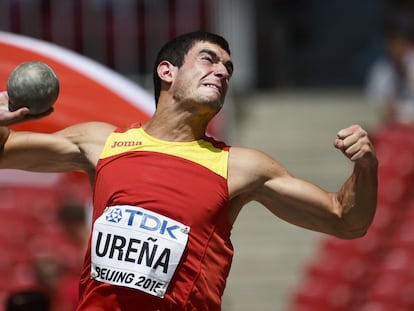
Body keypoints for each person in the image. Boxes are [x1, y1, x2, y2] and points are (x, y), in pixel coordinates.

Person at [0, 31, 378, 310]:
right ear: (167, 71)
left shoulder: (240, 166)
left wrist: (365, 166)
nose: (223, 72)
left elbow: (346, 219)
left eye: (228, 67)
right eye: (209, 59)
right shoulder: (102, 143)